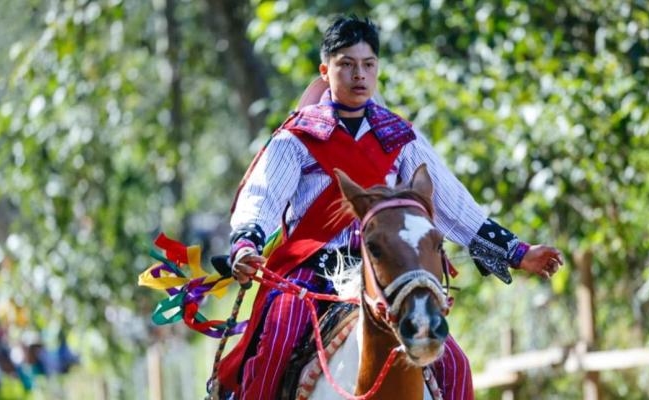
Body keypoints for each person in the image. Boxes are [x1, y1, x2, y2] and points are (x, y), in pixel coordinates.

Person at [217, 16, 563, 400]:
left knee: (455, 365)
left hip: (390, 273)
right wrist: (247, 244)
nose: (358, 75)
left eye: (367, 65)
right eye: (346, 64)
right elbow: (262, 198)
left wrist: (518, 252)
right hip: (312, 278)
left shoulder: (399, 136)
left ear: (377, 69)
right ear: (325, 70)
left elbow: (454, 206)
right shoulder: (296, 137)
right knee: (277, 339)